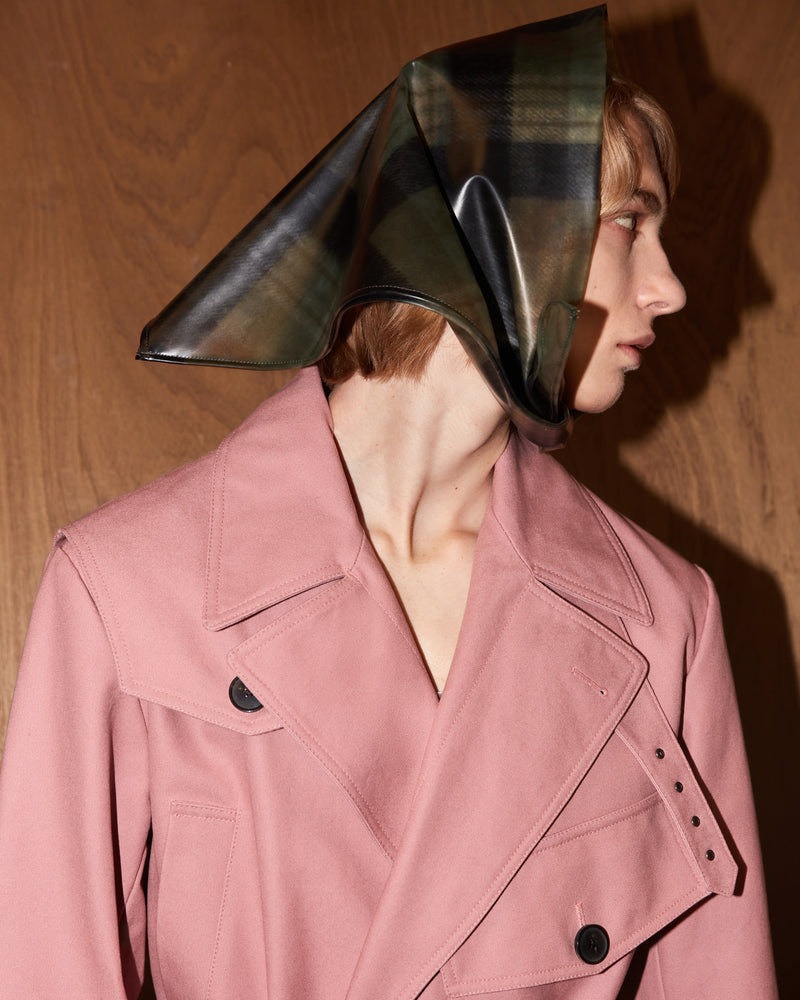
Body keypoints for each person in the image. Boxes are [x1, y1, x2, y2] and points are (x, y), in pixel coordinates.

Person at [0, 7, 777, 998]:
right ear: (501, 234)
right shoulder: (130, 593)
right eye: (629, 224)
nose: (669, 287)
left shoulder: (661, 621)